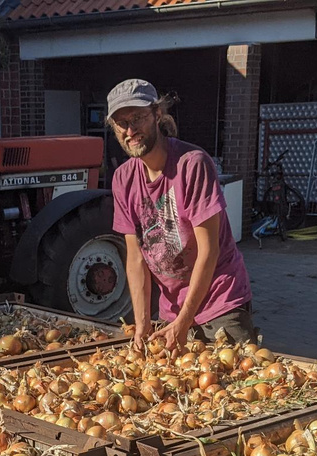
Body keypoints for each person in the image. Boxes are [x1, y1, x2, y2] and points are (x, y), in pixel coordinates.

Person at [107, 79, 254, 352]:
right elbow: (136, 258)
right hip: (171, 312)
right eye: (121, 122)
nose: (130, 130)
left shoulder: (192, 164)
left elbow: (208, 252)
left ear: (157, 114)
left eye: (138, 117)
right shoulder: (122, 179)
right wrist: (142, 323)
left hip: (219, 303)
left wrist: (185, 321)